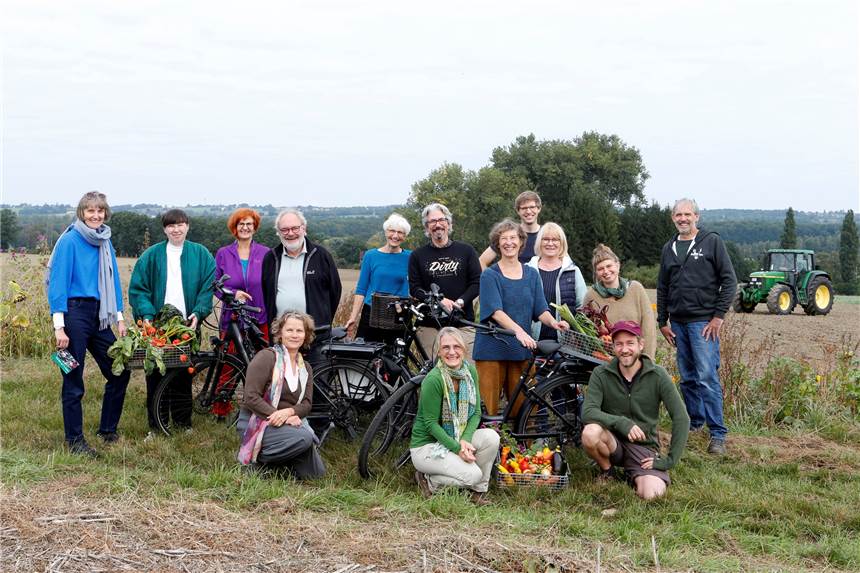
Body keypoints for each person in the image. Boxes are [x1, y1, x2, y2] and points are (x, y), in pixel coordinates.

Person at [46, 191, 131, 457]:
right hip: (74, 313)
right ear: (81, 213)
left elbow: (113, 280)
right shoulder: (70, 241)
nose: (96, 216)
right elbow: (57, 283)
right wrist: (59, 325)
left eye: (100, 211)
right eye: (90, 211)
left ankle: (107, 429)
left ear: (105, 213)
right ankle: (75, 441)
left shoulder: (105, 241)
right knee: (73, 378)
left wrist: (118, 317)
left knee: (120, 371)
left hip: (100, 314)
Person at [657, 198, 736, 455]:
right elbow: (663, 286)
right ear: (672, 218)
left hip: (704, 324)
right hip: (678, 323)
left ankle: (718, 434)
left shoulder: (711, 242)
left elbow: (729, 281)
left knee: (706, 376)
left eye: (687, 214)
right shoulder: (669, 247)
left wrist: (718, 317)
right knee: (688, 378)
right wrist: (662, 322)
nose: (683, 219)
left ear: (696, 217)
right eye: (678, 215)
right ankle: (696, 424)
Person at [129, 209, 216, 436]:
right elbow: (139, 289)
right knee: (155, 375)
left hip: (186, 325)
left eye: (180, 225)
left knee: (183, 374)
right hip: (157, 325)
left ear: (187, 226)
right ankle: (156, 427)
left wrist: (198, 313)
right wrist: (147, 315)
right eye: (170, 226)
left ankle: (182, 423)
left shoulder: (201, 254)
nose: (176, 229)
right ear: (164, 229)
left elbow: (207, 289)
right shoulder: (152, 255)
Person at [581, 321, 689, 500]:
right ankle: (608, 470)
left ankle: (637, 475)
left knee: (652, 495)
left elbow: (681, 418)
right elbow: (588, 412)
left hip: (643, 447)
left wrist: (669, 460)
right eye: (619, 344)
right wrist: (621, 423)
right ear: (613, 346)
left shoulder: (657, 375)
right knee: (590, 432)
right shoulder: (601, 373)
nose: (624, 349)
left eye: (630, 343)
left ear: (641, 344)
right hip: (612, 441)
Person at [472, 219, 568, 416]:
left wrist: (553, 322)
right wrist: (521, 332)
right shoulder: (490, 275)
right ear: (497, 244)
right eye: (503, 238)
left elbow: (541, 308)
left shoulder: (532, 274)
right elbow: (496, 312)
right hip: (492, 349)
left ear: (521, 242)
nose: (509, 242)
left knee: (524, 410)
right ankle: (493, 445)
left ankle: (525, 446)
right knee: (488, 410)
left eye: (513, 238)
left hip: (521, 350)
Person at [410, 327, 499, 505]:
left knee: (492, 437)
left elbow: (476, 413)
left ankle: (477, 491)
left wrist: (465, 440)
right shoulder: (434, 379)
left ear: (464, 349)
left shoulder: (470, 372)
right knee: (473, 474)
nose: (452, 352)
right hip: (426, 446)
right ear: (439, 352)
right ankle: (429, 480)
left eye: (456, 347)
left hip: (456, 436)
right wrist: (458, 448)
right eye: (446, 348)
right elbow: (430, 425)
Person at [236, 311, 325, 478]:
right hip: (257, 422)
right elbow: (250, 397)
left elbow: (306, 404)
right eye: (289, 330)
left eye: (299, 331)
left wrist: (290, 412)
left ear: (306, 335)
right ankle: (258, 460)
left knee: (316, 474)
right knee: (304, 438)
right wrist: (280, 416)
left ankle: (283, 461)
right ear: (280, 333)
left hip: (288, 424)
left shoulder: (305, 367)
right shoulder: (266, 357)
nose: (294, 335)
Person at [261, 208, 342, 357]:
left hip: (315, 335)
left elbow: (335, 291)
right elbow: (266, 293)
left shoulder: (321, 255)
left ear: (304, 228)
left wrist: (322, 318)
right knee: (282, 379)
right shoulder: (270, 258)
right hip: (281, 336)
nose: (290, 233)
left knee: (315, 378)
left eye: (294, 228)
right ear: (278, 232)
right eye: (284, 229)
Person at [407, 203, 481, 357]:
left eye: (441, 220)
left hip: (462, 322)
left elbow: (477, 282)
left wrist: (459, 302)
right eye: (432, 222)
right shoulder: (417, 256)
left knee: (465, 368)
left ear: (449, 223)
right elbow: (415, 288)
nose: (437, 225)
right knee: (437, 370)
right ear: (427, 228)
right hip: (429, 324)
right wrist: (438, 301)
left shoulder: (466, 251)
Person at [345, 213, 412, 343]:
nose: (395, 236)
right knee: (366, 356)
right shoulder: (371, 256)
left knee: (395, 359)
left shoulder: (410, 257)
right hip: (371, 313)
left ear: (405, 236)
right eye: (392, 231)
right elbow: (361, 288)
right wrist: (353, 317)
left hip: (399, 314)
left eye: (400, 232)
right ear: (385, 232)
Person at [582, 244, 657, 358]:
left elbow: (649, 328)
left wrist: (647, 359)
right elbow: (587, 332)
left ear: (617, 265)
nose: (606, 271)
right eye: (600, 269)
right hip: (606, 361)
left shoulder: (635, 289)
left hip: (636, 359)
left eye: (609, 266)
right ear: (596, 273)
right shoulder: (591, 295)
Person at [214, 208, 271, 339]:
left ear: (254, 227)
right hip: (232, 318)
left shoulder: (266, 253)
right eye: (241, 224)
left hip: (260, 318)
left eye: (249, 224)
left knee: (262, 358)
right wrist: (234, 294)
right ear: (235, 227)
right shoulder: (223, 253)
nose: (245, 228)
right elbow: (215, 285)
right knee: (231, 358)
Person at [526, 222, 586, 341]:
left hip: (564, 343)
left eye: (555, 239)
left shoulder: (573, 271)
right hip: (530, 340)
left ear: (561, 243)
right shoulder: (527, 270)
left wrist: (571, 325)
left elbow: (583, 307)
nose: (550, 243)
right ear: (539, 242)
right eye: (546, 239)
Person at [479, 190, 542, 267]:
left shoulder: (547, 235)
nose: (528, 211)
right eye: (524, 208)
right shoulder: (510, 234)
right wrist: (489, 278)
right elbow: (481, 261)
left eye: (532, 207)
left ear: (539, 209)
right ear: (518, 211)